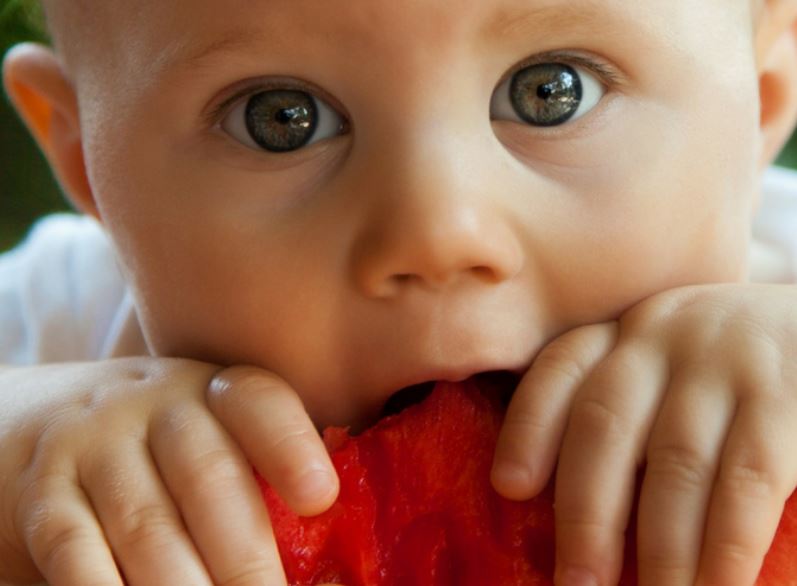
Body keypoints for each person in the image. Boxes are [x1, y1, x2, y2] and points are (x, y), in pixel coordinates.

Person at [1, 0, 797, 584]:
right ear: (84, 159)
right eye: (282, 119)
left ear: (761, 98)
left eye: (549, 92)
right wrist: (21, 462)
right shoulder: (68, 322)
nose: (437, 234)